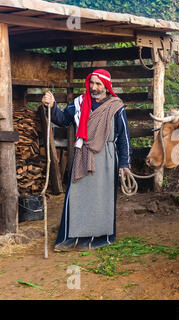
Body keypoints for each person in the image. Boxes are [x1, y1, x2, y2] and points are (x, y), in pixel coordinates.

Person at [41, 68, 132, 251]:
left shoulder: (116, 106)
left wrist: (124, 164)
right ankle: (72, 237)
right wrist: (51, 106)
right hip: (83, 153)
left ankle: (100, 236)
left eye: (98, 83)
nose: (94, 87)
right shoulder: (80, 103)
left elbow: (124, 138)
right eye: (92, 83)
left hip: (106, 157)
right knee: (76, 195)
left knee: (102, 199)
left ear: (106, 85)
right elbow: (63, 119)